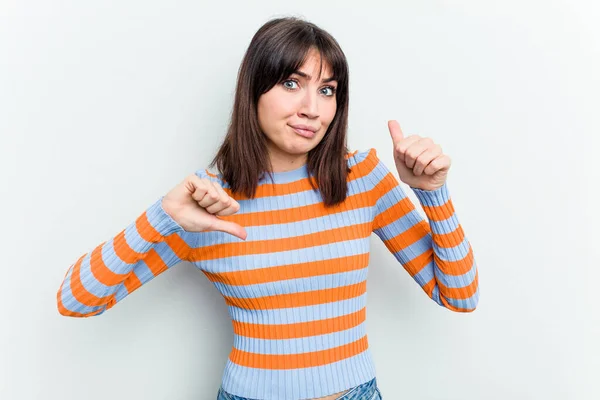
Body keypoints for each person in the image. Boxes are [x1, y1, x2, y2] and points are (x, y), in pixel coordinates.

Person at [56, 16, 479, 400]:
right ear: (253, 89)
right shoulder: (206, 204)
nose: (311, 109)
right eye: (292, 83)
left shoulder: (361, 178)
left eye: (327, 90)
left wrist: (433, 194)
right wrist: (160, 216)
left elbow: (459, 295)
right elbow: (77, 300)